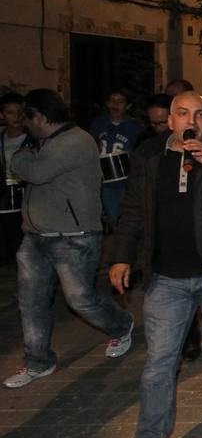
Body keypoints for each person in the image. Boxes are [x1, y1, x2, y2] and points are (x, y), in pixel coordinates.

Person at [103, 91, 202, 438]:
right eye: (183, 114)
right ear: (169, 120)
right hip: (166, 277)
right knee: (158, 364)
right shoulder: (149, 156)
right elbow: (133, 210)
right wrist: (121, 255)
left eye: (200, 114)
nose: (192, 121)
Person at [4, 89, 135, 389]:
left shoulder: (76, 140)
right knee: (31, 302)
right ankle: (38, 361)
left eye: (27, 117)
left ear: (41, 116)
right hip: (35, 236)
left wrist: (21, 158)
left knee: (80, 300)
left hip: (73, 236)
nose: (24, 124)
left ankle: (121, 324)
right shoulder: (45, 141)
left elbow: (36, 172)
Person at [89, 89, 145, 229]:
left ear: (128, 106)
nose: (115, 105)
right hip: (105, 181)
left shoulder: (135, 127)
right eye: (112, 101)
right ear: (107, 104)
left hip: (126, 181)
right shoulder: (98, 124)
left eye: (120, 102)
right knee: (112, 217)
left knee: (128, 218)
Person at [1, 92, 30, 265]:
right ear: (2, 115)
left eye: (20, 112)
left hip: (26, 200)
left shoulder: (33, 139)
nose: (17, 117)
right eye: (10, 112)